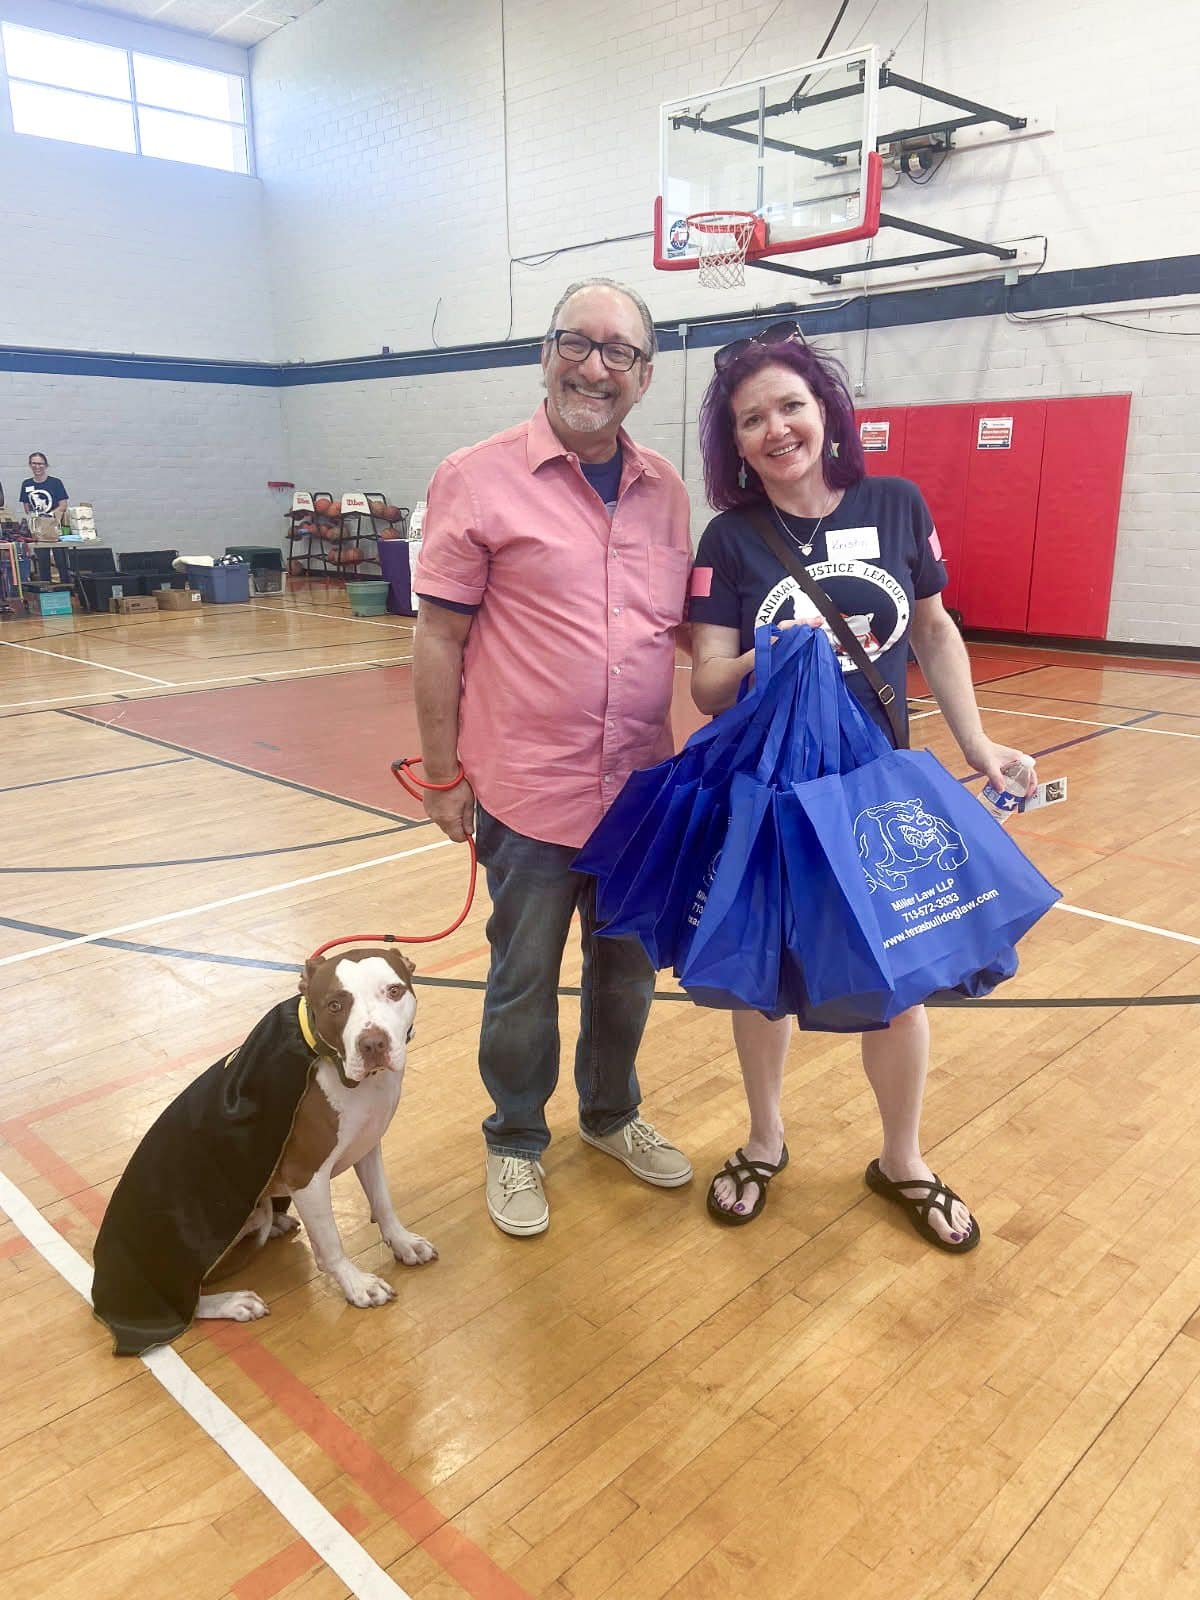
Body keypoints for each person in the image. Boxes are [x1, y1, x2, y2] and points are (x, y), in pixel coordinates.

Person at [688, 322, 1035, 1250]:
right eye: (751, 419)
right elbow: (708, 686)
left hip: (875, 791)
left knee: (900, 981)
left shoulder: (896, 504)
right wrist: (772, 650)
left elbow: (935, 631)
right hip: (771, 800)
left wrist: (977, 743)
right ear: (735, 444)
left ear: (826, 412)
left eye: (790, 406)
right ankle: (764, 1139)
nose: (776, 429)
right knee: (763, 980)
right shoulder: (729, 539)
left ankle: (902, 1159)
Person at [411, 278, 694, 1237]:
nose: (595, 368)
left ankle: (610, 1116)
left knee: (627, 976)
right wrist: (442, 774)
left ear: (644, 377)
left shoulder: (666, 490)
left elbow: (678, 634)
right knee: (522, 981)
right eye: (578, 342)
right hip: (528, 793)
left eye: (620, 352)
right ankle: (515, 1140)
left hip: (640, 797)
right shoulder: (474, 476)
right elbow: (439, 638)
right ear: (545, 355)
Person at [20, 453, 69, 522]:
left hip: (54, 522)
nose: (37, 466)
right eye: (34, 463)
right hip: (35, 523)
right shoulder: (26, 484)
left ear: (46, 465)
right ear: (30, 465)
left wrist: (48, 516)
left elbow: (63, 506)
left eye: (40, 464)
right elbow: (27, 508)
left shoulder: (56, 482)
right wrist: (34, 518)